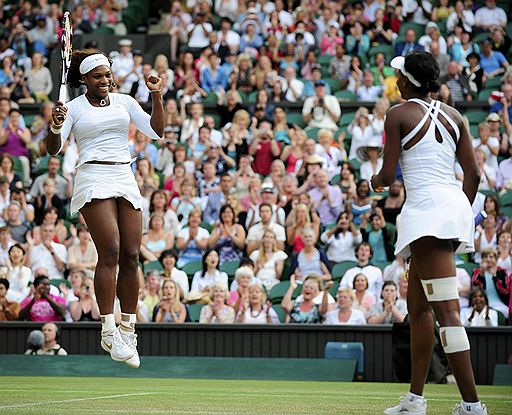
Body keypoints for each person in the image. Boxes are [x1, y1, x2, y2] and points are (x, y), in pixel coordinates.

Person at [370, 51, 485, 414]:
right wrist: (459, 213)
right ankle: (415, 400)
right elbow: (474, 175)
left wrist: (373, 182)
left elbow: (388, 178)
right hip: (448, 209)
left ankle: (472, 406)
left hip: (427, 216)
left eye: (399, 76)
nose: (396, 81)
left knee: (447, 313)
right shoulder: (456, 116)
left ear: (409, 81)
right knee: (418, 310)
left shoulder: (397, 114)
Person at [46, 50, 164, 368]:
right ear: (84, 79)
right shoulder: (71, 108)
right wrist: (56, 126)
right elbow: (53, 149)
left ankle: (128, 329)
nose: (106, 80)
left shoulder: (125, 102)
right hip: (93, 176)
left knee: (131, 255)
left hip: (123, 174)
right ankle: (108, 329)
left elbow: (157, 131)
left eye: (108, 75)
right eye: (98, 76)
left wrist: (157, 95)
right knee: (110, 250)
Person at [471, 247, 510, 319]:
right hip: (481, 302)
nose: (488, 259)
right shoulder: (477, 272)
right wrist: (482, 273)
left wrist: (495, 276)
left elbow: (505, 292)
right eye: (485, 257)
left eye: (491, 257)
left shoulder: (501, 272)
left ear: (496, 259)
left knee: (505, 311)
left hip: (498, 302)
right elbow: (475, 289)